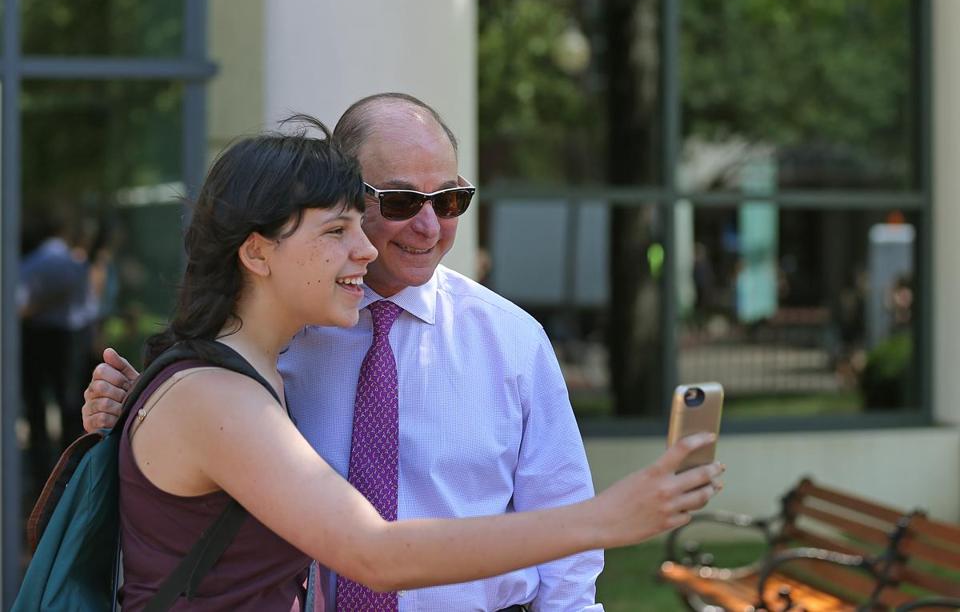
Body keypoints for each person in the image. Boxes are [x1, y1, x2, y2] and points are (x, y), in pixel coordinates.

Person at [83, 95, 723, 611]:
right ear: (258, 252)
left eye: (448, 201)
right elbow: (374, 554)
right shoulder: (231, 380)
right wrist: (606, 518)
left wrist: (149, 409)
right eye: (389, 206)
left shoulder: (509, 339)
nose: (426, 226)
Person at [19, 209, 91, 494]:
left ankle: (41, 480)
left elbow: (20, 304)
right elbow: (87, 308)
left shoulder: (31, 263)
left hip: (37, 337)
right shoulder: (73, 263)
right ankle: (70, 476)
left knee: (37, 408)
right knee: (70, 405)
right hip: (68, 338)